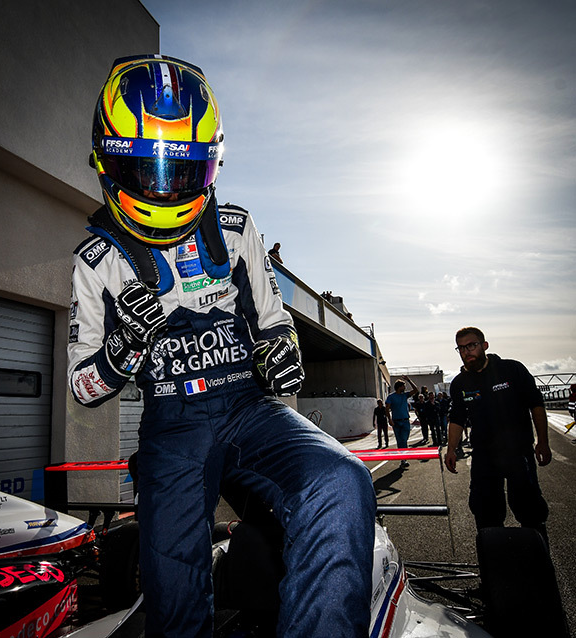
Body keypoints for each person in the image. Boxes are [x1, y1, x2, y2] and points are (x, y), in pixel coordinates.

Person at [67, 55, 376, 638]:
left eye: (181, 172)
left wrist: (282, 353)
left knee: (342, 480)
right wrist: (120, 350)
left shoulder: (236, 228)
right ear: (106, 162)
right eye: (145, 169)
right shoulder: (96, 261)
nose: (163, 188)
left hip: (248, 409)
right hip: (172, 427)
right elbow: (83, 387)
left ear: (210, 164)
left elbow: (274, 322)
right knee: (173, 593)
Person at [444, 327, 551, 545]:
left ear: (484, 345)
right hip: (483, 456)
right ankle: (493, 569)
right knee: (485, 512)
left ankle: (539, 561)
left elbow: (536, 405)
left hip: (518, 451)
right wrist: (451, 448)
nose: (467, 352)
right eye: (461, 348)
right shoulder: (460, 383)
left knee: (529, 510)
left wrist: (543, 442)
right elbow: (456, 418)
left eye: (471, 345)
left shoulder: (512, 369)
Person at [385, 375, 418, 468]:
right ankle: (403, 459)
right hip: (396, 422)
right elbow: (387, 409)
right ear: (399, 387)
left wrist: (409, 380)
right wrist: (389, 419)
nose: (405, 388)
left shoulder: (405, 395)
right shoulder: (391, 397)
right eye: (403, 386)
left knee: (404, 439)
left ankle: (403, 458)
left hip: (405, 421)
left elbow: (415, 390)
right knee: (400, 441)